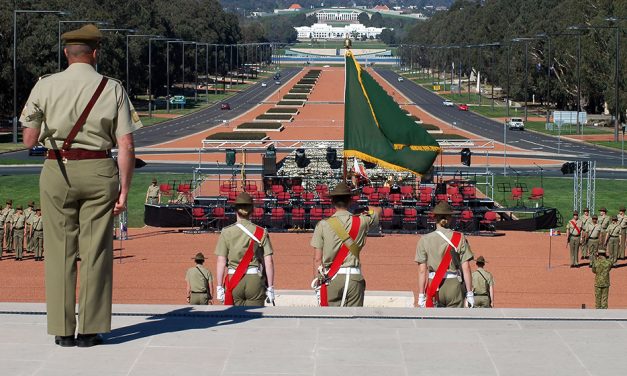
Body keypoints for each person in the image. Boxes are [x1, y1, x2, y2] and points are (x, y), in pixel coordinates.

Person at [20, 24, 141, 347]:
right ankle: (89, 329)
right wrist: (125, 190)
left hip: (57, 168)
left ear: (66, 54)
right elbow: (126, 144)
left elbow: (29, 138)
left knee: (59, 251)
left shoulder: (45, 85)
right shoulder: (111, 88)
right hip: (99, 169)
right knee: (96, 252)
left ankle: (62, 330)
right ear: (95, 53)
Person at [311, 182, 380, 307]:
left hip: (331, 278)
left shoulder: (323, 224)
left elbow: (317, 259)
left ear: (332, 202)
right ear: (350, 201)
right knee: (353, 322)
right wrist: (361, 209)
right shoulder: (361, 220)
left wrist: (317, 285)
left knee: (330, 322)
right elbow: (378, 211)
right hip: (354, 277)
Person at [215, 192, 275, 306]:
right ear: (252, 210)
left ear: (235, 210)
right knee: (254, 321)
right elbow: (268, 261)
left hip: (234, 280)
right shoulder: (261, 232)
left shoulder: (226, 232)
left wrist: (219, 287)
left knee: (235, 320)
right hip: (254, 280)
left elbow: (221, 262)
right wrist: (271, 287)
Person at [416, 202, 474, 308]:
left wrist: (421, 295)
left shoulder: (424, 239)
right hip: (454, 285)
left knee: (434, 322)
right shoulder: (459, 237)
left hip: (434, 285)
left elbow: (422, 270)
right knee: (454, 321)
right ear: (450, 218)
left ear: (434, 218)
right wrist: (470, 293)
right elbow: (466, 268)